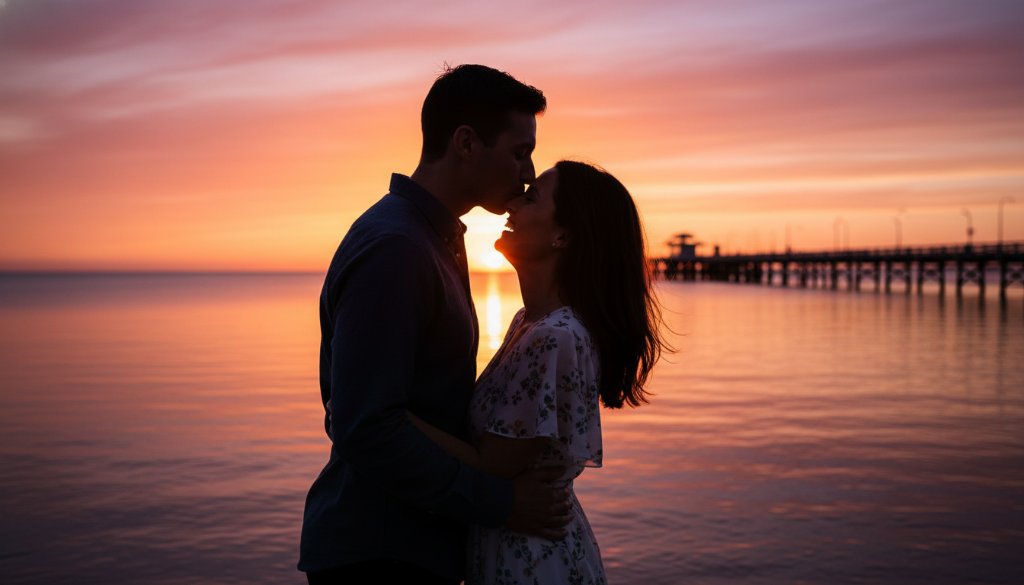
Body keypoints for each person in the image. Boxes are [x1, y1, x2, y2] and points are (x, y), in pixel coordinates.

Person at [298, 65, 571, 585]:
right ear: (466, 143)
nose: (529, 172)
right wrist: (502, 503)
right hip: (378, 555)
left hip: (412, 545)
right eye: (519, 152)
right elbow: (365, 425)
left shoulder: (434, 237)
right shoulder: (396, 249)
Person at [409, 160, 667, 584]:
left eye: (530, 198)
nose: (513, 204)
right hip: (518, 548)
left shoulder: (555, 337)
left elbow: (489, 465)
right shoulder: (529, 323)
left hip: (531, 561)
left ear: (562, 236)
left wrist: (390, 415)